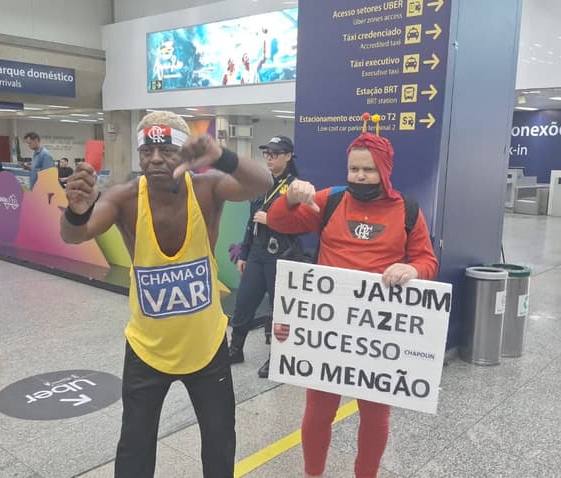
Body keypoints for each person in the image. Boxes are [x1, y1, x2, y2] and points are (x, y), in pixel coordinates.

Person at [60, 111, 272, 477]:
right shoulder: (125, 197)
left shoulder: (207, 188)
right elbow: (75, 235)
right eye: (147, 151)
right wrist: (77, 212)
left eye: (166, 150)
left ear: (185, 153)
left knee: (220, 442)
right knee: (134, 447)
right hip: (147, 349)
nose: (155, 159)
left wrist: (222, 156)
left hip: (205, 347)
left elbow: (262, 183)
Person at [266, 120, 438, 478]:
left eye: (369, 170)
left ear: (384, 170)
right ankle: (312, 473)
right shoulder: (330, 200)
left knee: (375, 417)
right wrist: (290, 198)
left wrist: (412, 270)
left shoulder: (407, 210)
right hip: (327, 329)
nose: (360, 176)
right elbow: (281, 222)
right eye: (354, 169)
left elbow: (427, 260)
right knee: (318, 412)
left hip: (378, 333)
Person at [227, 135, 302, 378]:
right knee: (244, 301)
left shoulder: (296, 187)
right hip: (257, 252)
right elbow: (251, 223)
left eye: (275, 154)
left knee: (280, 307)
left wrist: (273, 220)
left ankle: (278, 356)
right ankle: (235, 349)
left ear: (288, 156)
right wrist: (244, 253)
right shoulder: (262, 183)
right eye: (267, 154)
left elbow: (303, 224)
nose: (269, 158)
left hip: (282, 253)